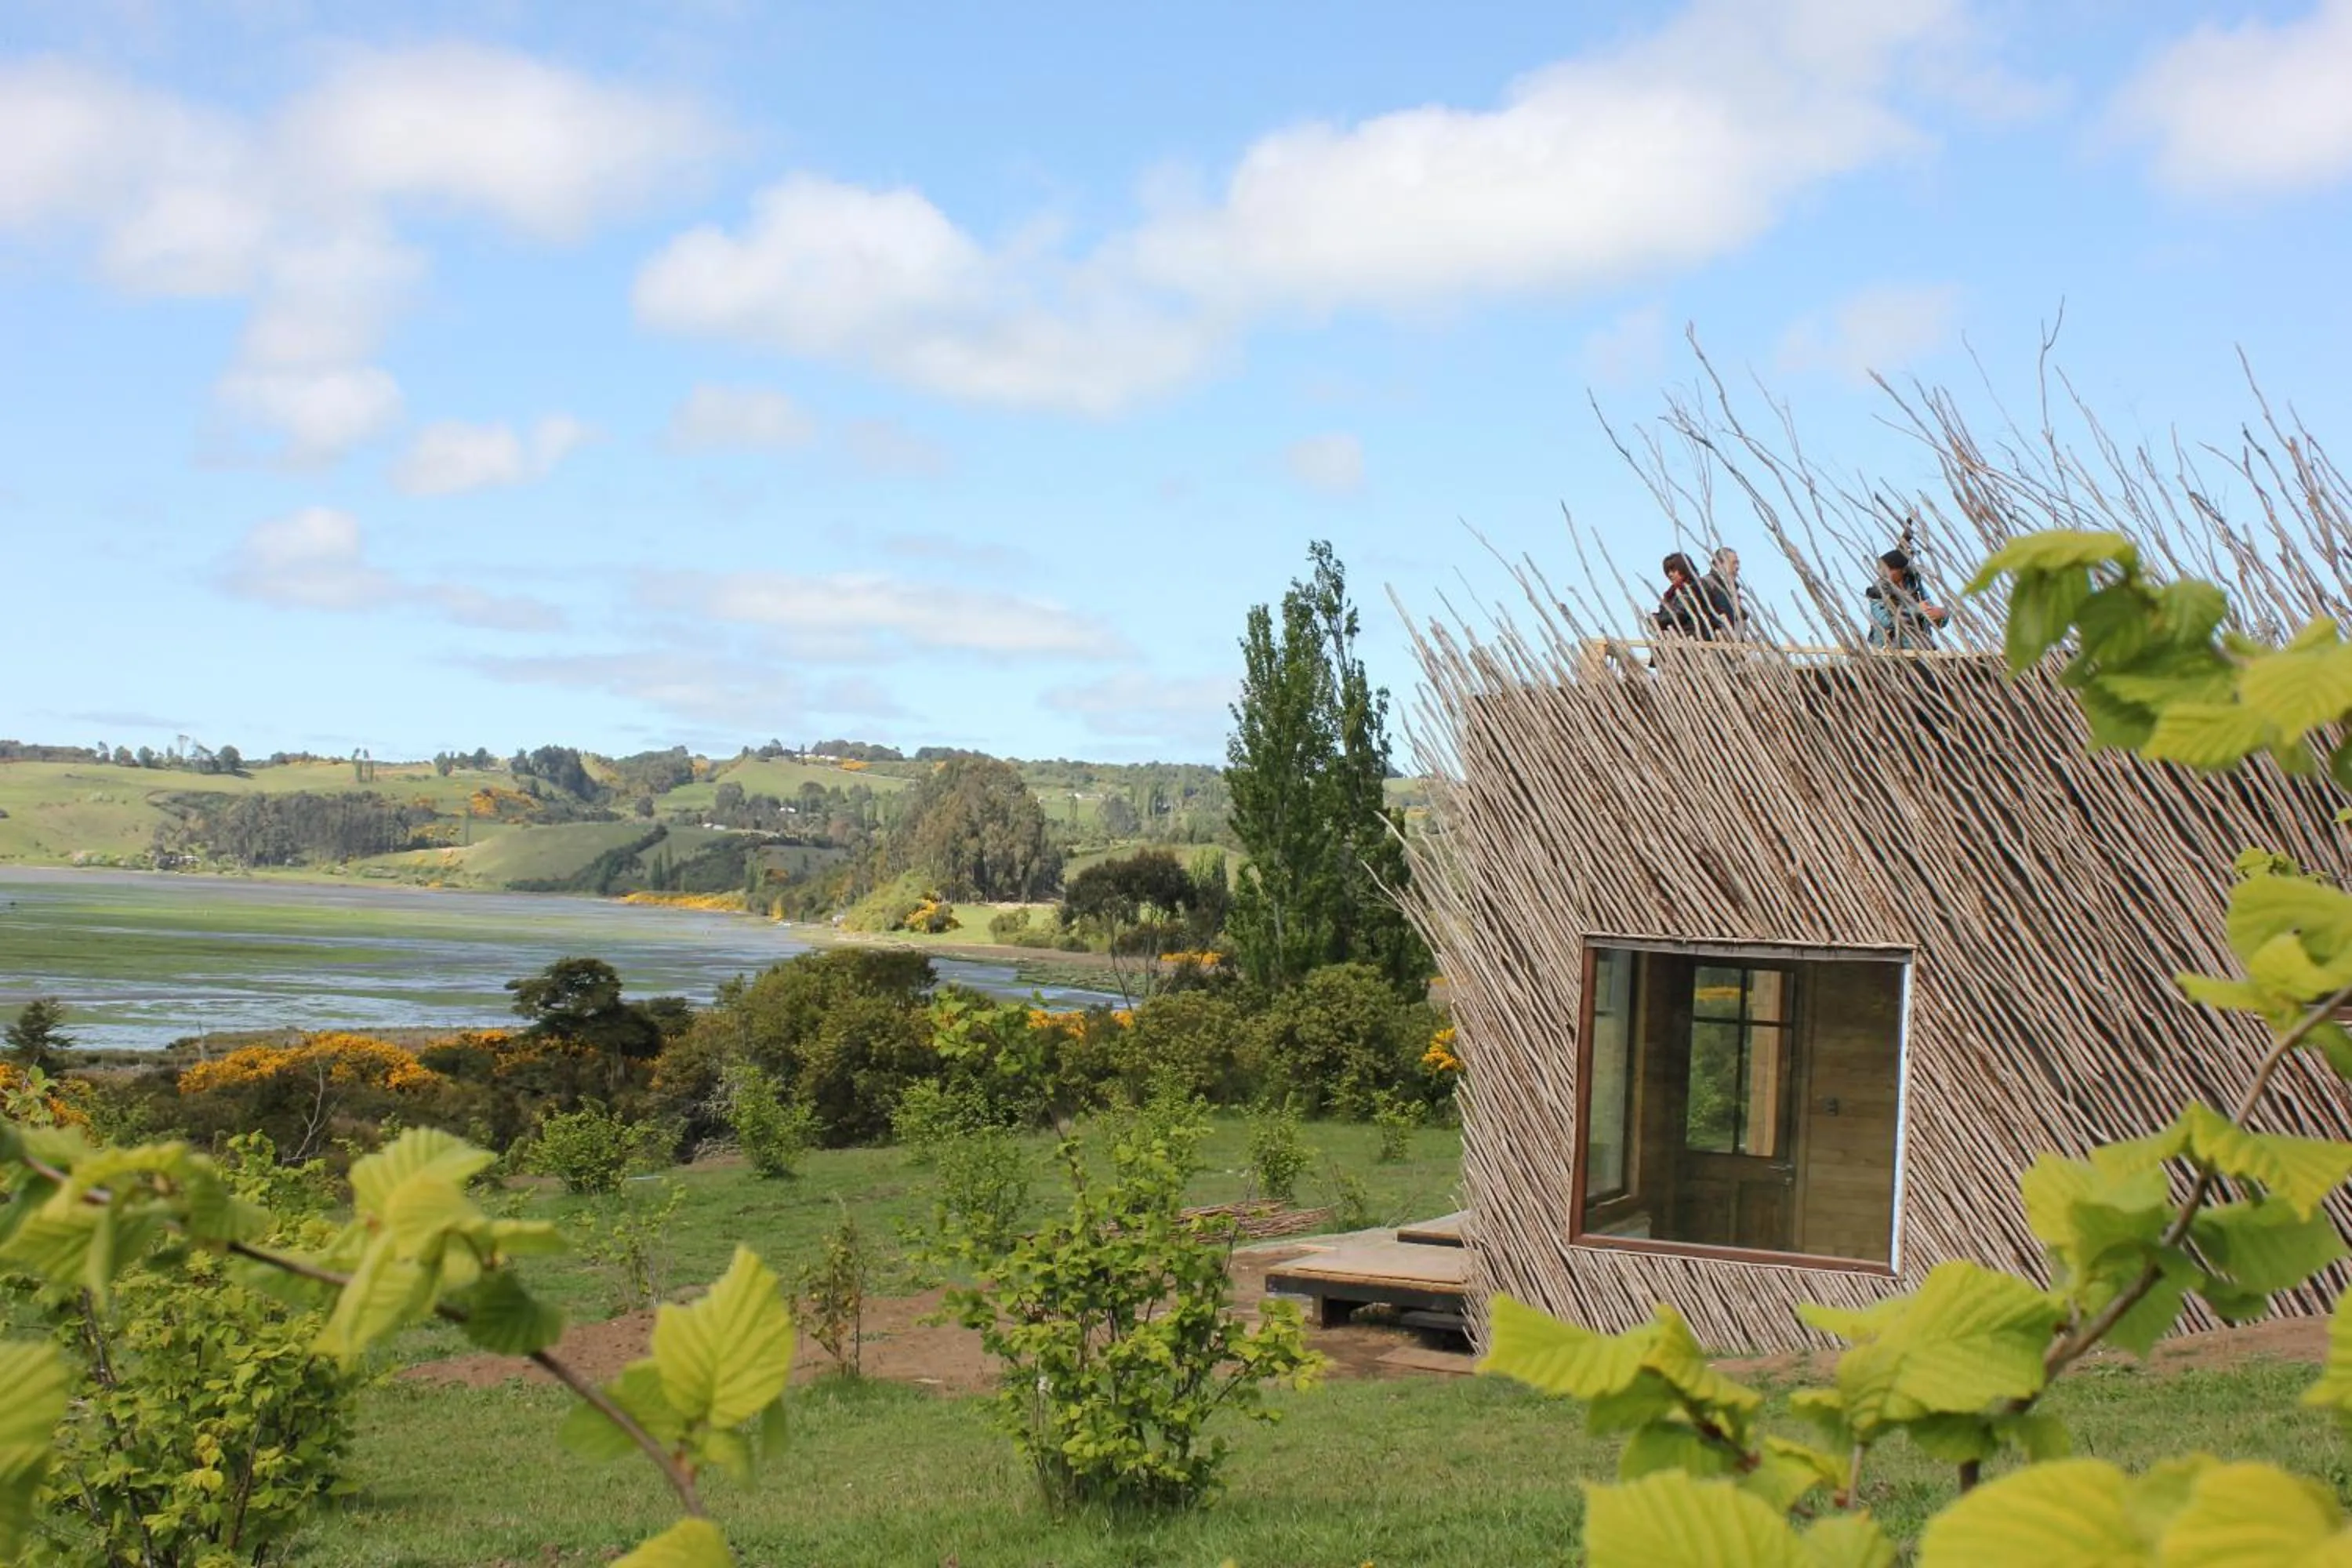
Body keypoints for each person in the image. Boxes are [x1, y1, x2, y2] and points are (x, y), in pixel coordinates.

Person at [1865, 548, 1947, 649]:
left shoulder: (1915, 586)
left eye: (1890, 569)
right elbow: (1886, 621)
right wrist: (1917, 610)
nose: (1885, 573)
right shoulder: (1877, 591)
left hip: (1921, 647)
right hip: (1890, 648)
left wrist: (1941, 615)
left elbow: (1929, 609)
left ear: (1902, 570)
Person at [1652, 553, 1725, 639]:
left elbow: (1680, 613)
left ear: (1684, 569)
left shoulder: (1694, 587)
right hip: (1681, 638)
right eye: (1668, 572)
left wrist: (1656, 620)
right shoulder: (1671, 593)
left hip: (1695, 638)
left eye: (1673, 570)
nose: (1670, 574)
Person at [1701, 547, 1746, 638]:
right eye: (1734, 563)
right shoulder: (1707, 584)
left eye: (1738, 563)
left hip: (1734, 642)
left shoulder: (1733, 591)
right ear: (1720, 564)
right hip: (1715, 642)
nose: (1737, 567)